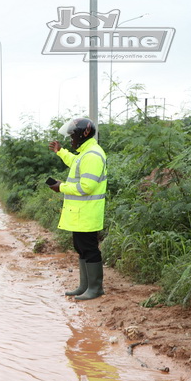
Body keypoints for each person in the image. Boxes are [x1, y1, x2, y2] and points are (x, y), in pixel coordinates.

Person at [48, 117, 107, 301]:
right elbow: (75, 162)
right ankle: (85, 286)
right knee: (81, 248)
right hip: (81, 213)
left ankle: (95, 289)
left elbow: (86, 187)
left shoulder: (92, 155)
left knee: (89, 249)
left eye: (72, 136)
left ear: (84, 134)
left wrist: (61, 187)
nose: (71, 139)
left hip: (88, 213)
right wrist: (60, 152)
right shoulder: (85, 153)